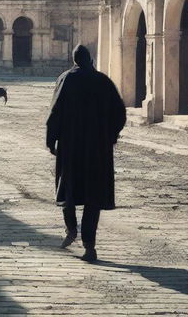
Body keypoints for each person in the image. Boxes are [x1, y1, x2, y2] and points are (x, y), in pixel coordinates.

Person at [46, 44, 126, 262]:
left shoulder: (66, 79)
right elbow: (120, 112)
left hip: (70, 146)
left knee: (67, 190)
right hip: (97, 148)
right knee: (93, 195)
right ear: (90, 60)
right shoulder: (102, 80)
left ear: (74, 60)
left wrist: (51, 140)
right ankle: (90, 246)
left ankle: (71, 230)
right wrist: (111, 135)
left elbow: (55, 112)